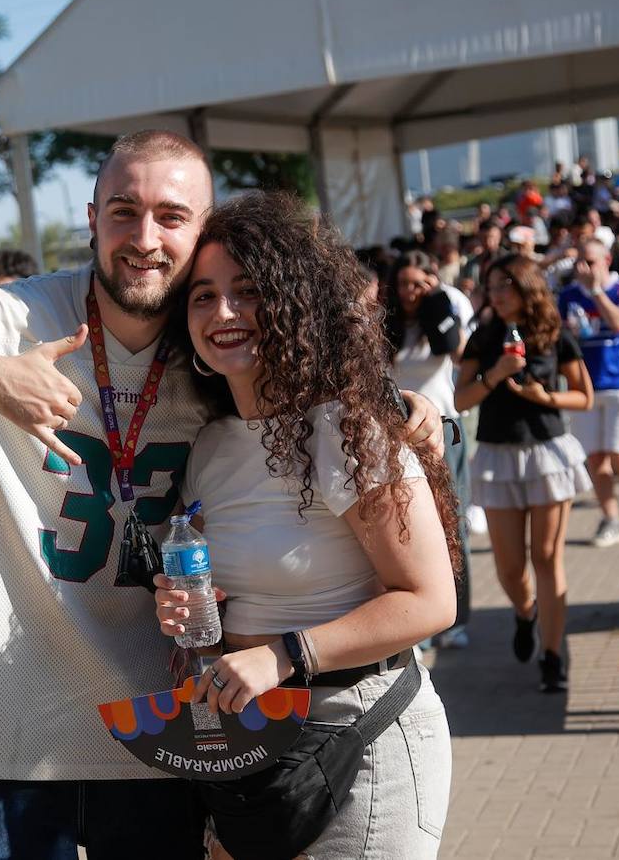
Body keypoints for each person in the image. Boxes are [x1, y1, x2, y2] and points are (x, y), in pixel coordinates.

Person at [0, 129, 446, 858]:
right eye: (123, 210)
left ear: (204, 232)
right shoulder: (6, 318)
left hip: (159, 731)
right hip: (9, 729)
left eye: (172, 216)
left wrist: (404, 406)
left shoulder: (210, 340)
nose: (145, 237)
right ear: (91, 220)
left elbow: (315, 393)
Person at [154, 192, 457, 859]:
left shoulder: (343, 433)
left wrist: (284, 652)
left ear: (296, 303)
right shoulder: (208, 448)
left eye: (249, 291)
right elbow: (227, 592)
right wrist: (187, 610)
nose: (224, 312)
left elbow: (431, 599)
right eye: (202, 296)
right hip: (250, 747)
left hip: (360, 739)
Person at [454, 255, 593, 693]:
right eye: (491, 286)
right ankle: (525, 611)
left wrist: (545, 396)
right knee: (510, 566)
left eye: (505, 285)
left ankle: (553, 657)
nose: (496, 293)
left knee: (547, 557)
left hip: (547, 451)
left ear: (526, 286)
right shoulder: (483, 336)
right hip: (497, 455)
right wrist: (495, 374)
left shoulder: (554, 334)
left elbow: (584, 397)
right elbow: (460, 400)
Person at [384, 250, 474, 649]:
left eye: (418, 283)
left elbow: (458, 352)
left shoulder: (442, 310)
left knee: (453, 525)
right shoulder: (386, 322)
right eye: (403, 283)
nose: (410, 292)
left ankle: (455, 619)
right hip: (400, 437)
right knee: (412, 527)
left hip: (443, 432)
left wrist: (437, 302)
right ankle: (419, 622)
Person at [558, 237, 619, 547]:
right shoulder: (568, 295)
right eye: (579, 263)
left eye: (590, 262)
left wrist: (596, 290)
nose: (583, 268)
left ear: (606, 261)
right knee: (595, 457)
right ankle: (610, 518)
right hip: (585, 387)